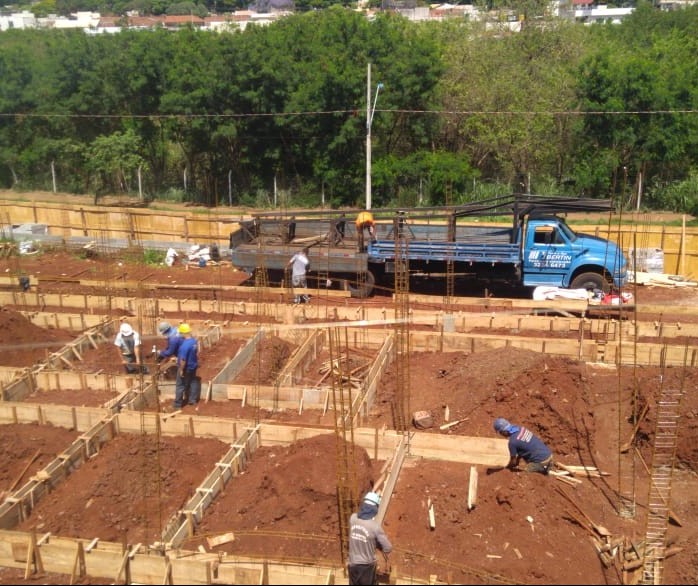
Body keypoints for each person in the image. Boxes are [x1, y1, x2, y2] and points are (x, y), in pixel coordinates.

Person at [348, 491, 392, 585]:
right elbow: (388, 548)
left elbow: (362, 533)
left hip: (352, 564)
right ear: (374, 509)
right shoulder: (375, 527)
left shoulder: (353, 518)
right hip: (366, 567)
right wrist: (375, 544)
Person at [174, 323, 200, 408]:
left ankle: (177, 404)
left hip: (186, 368)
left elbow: (183, 360)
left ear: (183, 333)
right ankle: (192, 400)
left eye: (180, 333)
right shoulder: (194, 341)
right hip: (193, 366)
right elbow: (197, 351)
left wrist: (181, 370)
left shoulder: (184, 346)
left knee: (180, 386)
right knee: (193, 382)